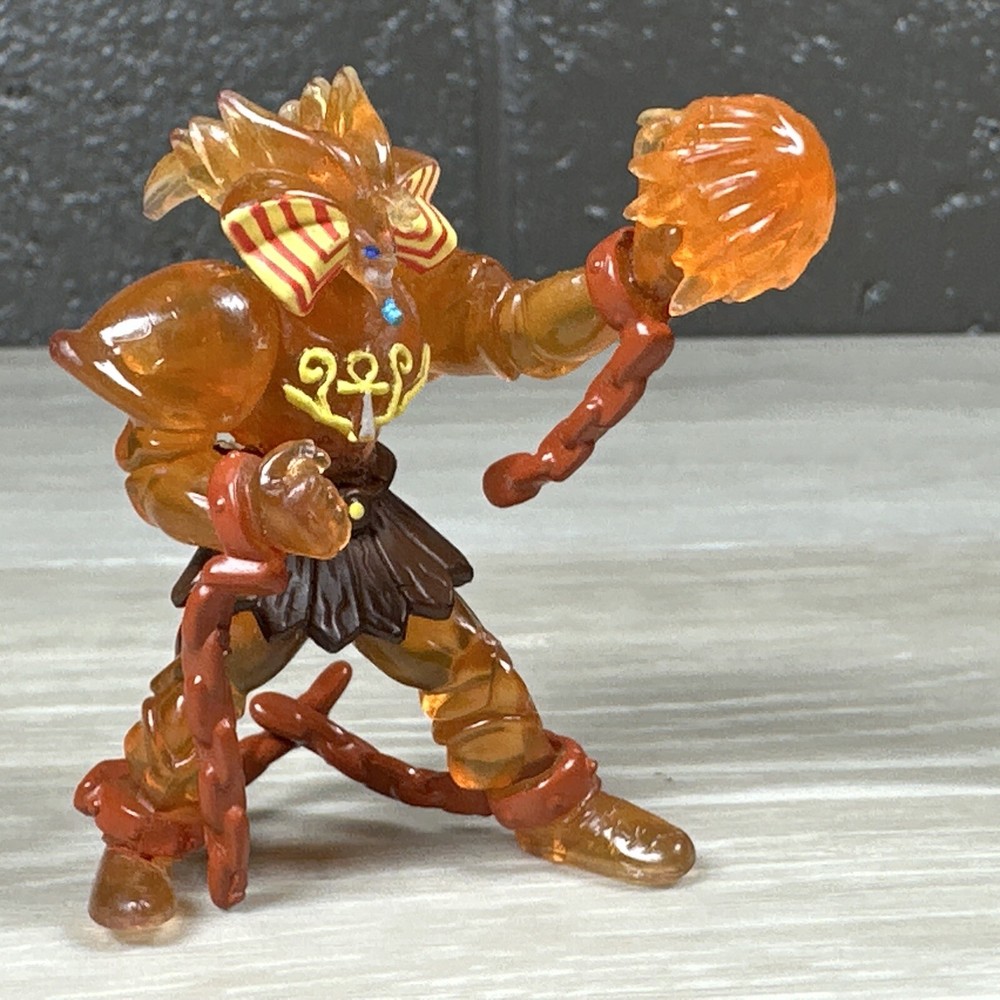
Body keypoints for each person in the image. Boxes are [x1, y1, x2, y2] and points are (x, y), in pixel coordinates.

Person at [52, 67, 834, 929]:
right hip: (265, 543)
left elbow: (512, 325)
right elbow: (157, 471)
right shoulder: (223, 310)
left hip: (364, 525)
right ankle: (139, 835)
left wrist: (630, 273)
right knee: (200, 694)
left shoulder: (404, 287)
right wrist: (253, 497)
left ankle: (549, 803)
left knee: (466, 665)